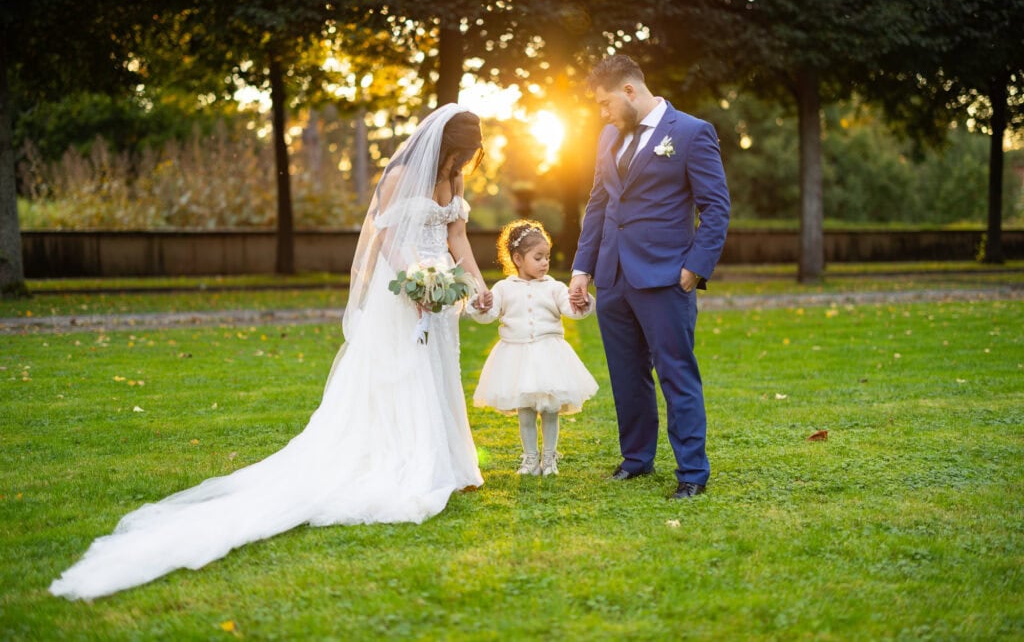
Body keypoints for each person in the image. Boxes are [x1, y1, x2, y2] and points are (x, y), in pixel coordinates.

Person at [49, 104, 494, 600]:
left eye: (467, 158)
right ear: (443, 145)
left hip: (441, 297)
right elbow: (384, 237)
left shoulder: (453, 181)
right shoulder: (401, 176)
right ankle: (409, 463)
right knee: (403, 376)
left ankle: (448, 465)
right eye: (459, 155)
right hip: (407, 292)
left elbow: (457, 236)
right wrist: (414, 284)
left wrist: (475, 283)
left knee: (437, 375)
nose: (462, 164)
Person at [568, 55, 730, 500]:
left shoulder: (692, 133)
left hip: (665, 277)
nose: (601, 114)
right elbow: (598, 204)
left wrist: (695, 267)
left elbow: (716, 207)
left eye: (604, 104)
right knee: (626, 374)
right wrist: (583, 269)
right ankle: (637, 459)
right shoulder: (607, 137)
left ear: (629, 91)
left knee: (676, 375)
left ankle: (692, 473)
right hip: (612, 277)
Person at [467, 220, 598, 477]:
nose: (544, 263)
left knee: (550, 409)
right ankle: (529, 459)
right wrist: (479, 306)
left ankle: (549, 459)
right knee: (525, 410)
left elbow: (570, 309)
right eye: (538, 257)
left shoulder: (555, 287)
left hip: (549, 355)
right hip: (516, 356)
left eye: (547, 257)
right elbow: (489, 314)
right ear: (517, 258)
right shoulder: (504, 288)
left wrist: (582, 303)